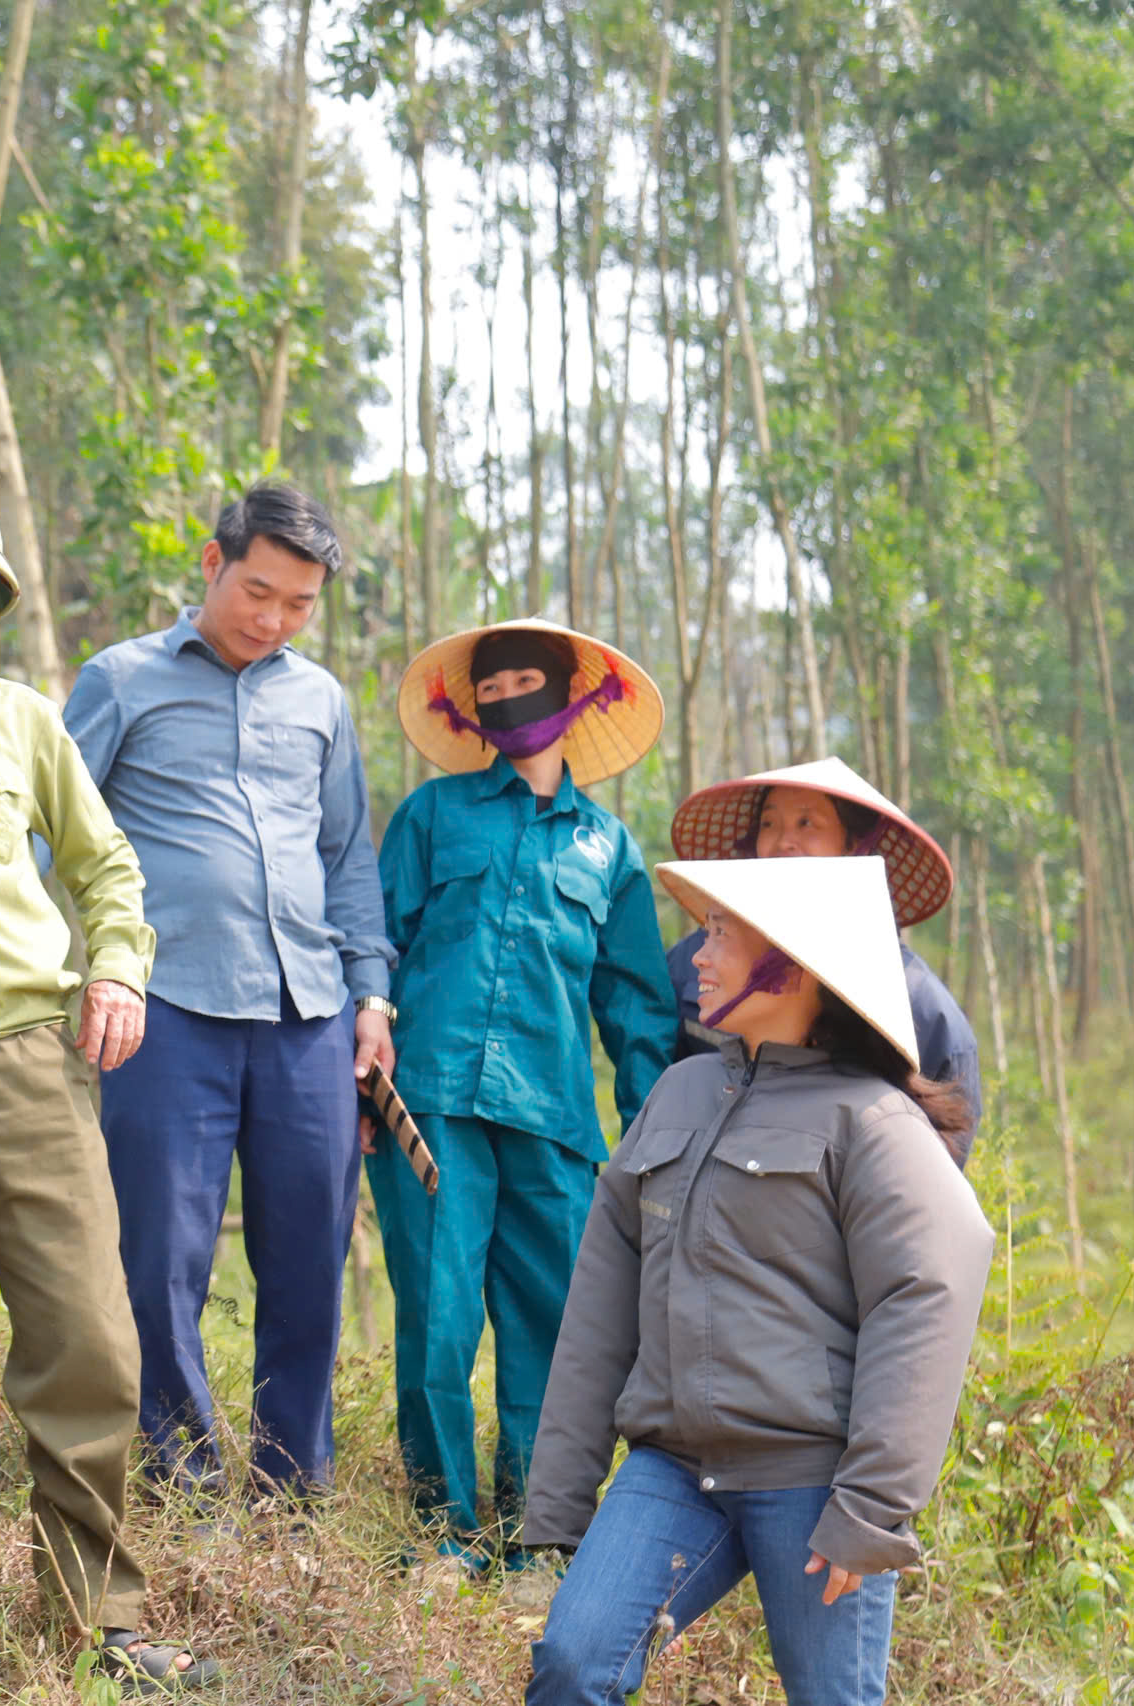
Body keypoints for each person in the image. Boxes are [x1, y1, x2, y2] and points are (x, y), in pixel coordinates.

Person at [0, 481, 207, 1688]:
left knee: (88, 1338)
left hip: (30, 1056)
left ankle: (101, 1620)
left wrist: (117, 970)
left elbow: (105, 866)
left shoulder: (18, 719)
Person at [522, 855, 993, 1706]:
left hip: (811, 1485)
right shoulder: (678, 1093)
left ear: (793, 964)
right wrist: (558, 1498)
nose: (697, 956)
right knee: (572, 1664)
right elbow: (599, 1304)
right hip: (670, 1468)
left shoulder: (871, 1119)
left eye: (722, 933)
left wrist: (871, 1511)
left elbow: (930, 1292)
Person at [64, 482, 394, 1498]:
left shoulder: (320, 699)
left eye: (297, 604)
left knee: (307, 1259)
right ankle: (182, 1479)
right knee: (162, 1258)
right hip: (166, 1013)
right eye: (257, 591)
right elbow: (56, 832)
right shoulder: (119, 681)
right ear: (212, 564)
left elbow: (345, 858)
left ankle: (292, 1483)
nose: (272, 619)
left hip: (308, 1013)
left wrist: (371, 996)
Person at [373, 619, 675, 1576]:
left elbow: (635, 1007)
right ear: (473, 709)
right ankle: (442, 1534)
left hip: (555, 1127)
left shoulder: (610, 850)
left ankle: (536, 1538)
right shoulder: (433, 816)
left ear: (570, 695)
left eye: (525, 680)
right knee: (438, 1324)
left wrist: (657, 1136)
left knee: (552, 1336)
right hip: (431, 1108)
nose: (508, 696)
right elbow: (378, 943)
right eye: (489, 685)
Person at [665, 756, 983, 1159]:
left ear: (853, 845)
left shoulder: (917, 1003)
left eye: (807, 823)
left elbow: (938, 1164)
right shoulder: (699, 959)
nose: (783, 842)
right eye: (769, 824)